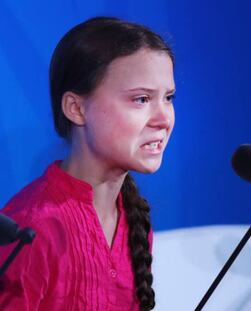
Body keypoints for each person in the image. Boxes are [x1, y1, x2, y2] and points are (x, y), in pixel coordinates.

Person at [0, 16, 175, 310]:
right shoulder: (32, 227)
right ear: (76, 108)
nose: (163, 119)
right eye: (141, 99)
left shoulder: (134, 220)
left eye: (168, 97)